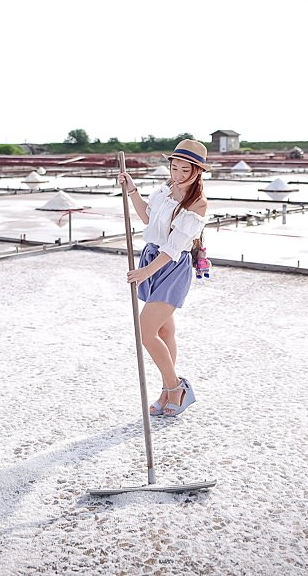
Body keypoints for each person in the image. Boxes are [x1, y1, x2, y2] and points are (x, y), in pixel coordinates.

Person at [117, 139, 209, 417]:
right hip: (152, 258)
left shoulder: (197, 203)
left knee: (146, 332)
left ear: (198, 172)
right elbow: (147, 218)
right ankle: (166, 392)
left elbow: (173, 247)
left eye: (185, 171)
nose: (178, 175)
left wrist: (145, 271)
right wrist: (132, 190)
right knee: (165, 332)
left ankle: (176, 387)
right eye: (175, 168)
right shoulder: (163, 191)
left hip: (170, 266)